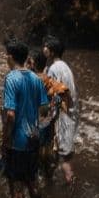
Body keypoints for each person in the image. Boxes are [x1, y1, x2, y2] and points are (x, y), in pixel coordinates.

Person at [2, 39, 49, 198]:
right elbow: (44, 109)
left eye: (7, 55)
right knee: (33, 182)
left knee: (16, 185)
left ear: (11, 57)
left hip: (17, 141)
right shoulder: (36, 78)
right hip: (33, 138)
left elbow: (11, 115)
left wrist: (6, 138)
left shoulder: (11, 79)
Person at [28, 47, 69, 179]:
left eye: (29, 62)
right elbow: (64, 91)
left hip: (35, 123)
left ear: (33, 64)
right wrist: (58, 106)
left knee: (35, 155)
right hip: (48, 121)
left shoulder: (31, 80)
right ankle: (49, 177)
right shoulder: (49, 80)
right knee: (47, 149)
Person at [43, 36, 79, 184]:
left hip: (62, 117)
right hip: (70, 115)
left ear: (51, 52)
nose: (43, 48)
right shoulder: (65, 66)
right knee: (58, 154)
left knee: (64, 158)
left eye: (46, 46)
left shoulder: (54, 69)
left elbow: (53, 94)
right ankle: (50, 182)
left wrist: (47, 115)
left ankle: (71, 184)